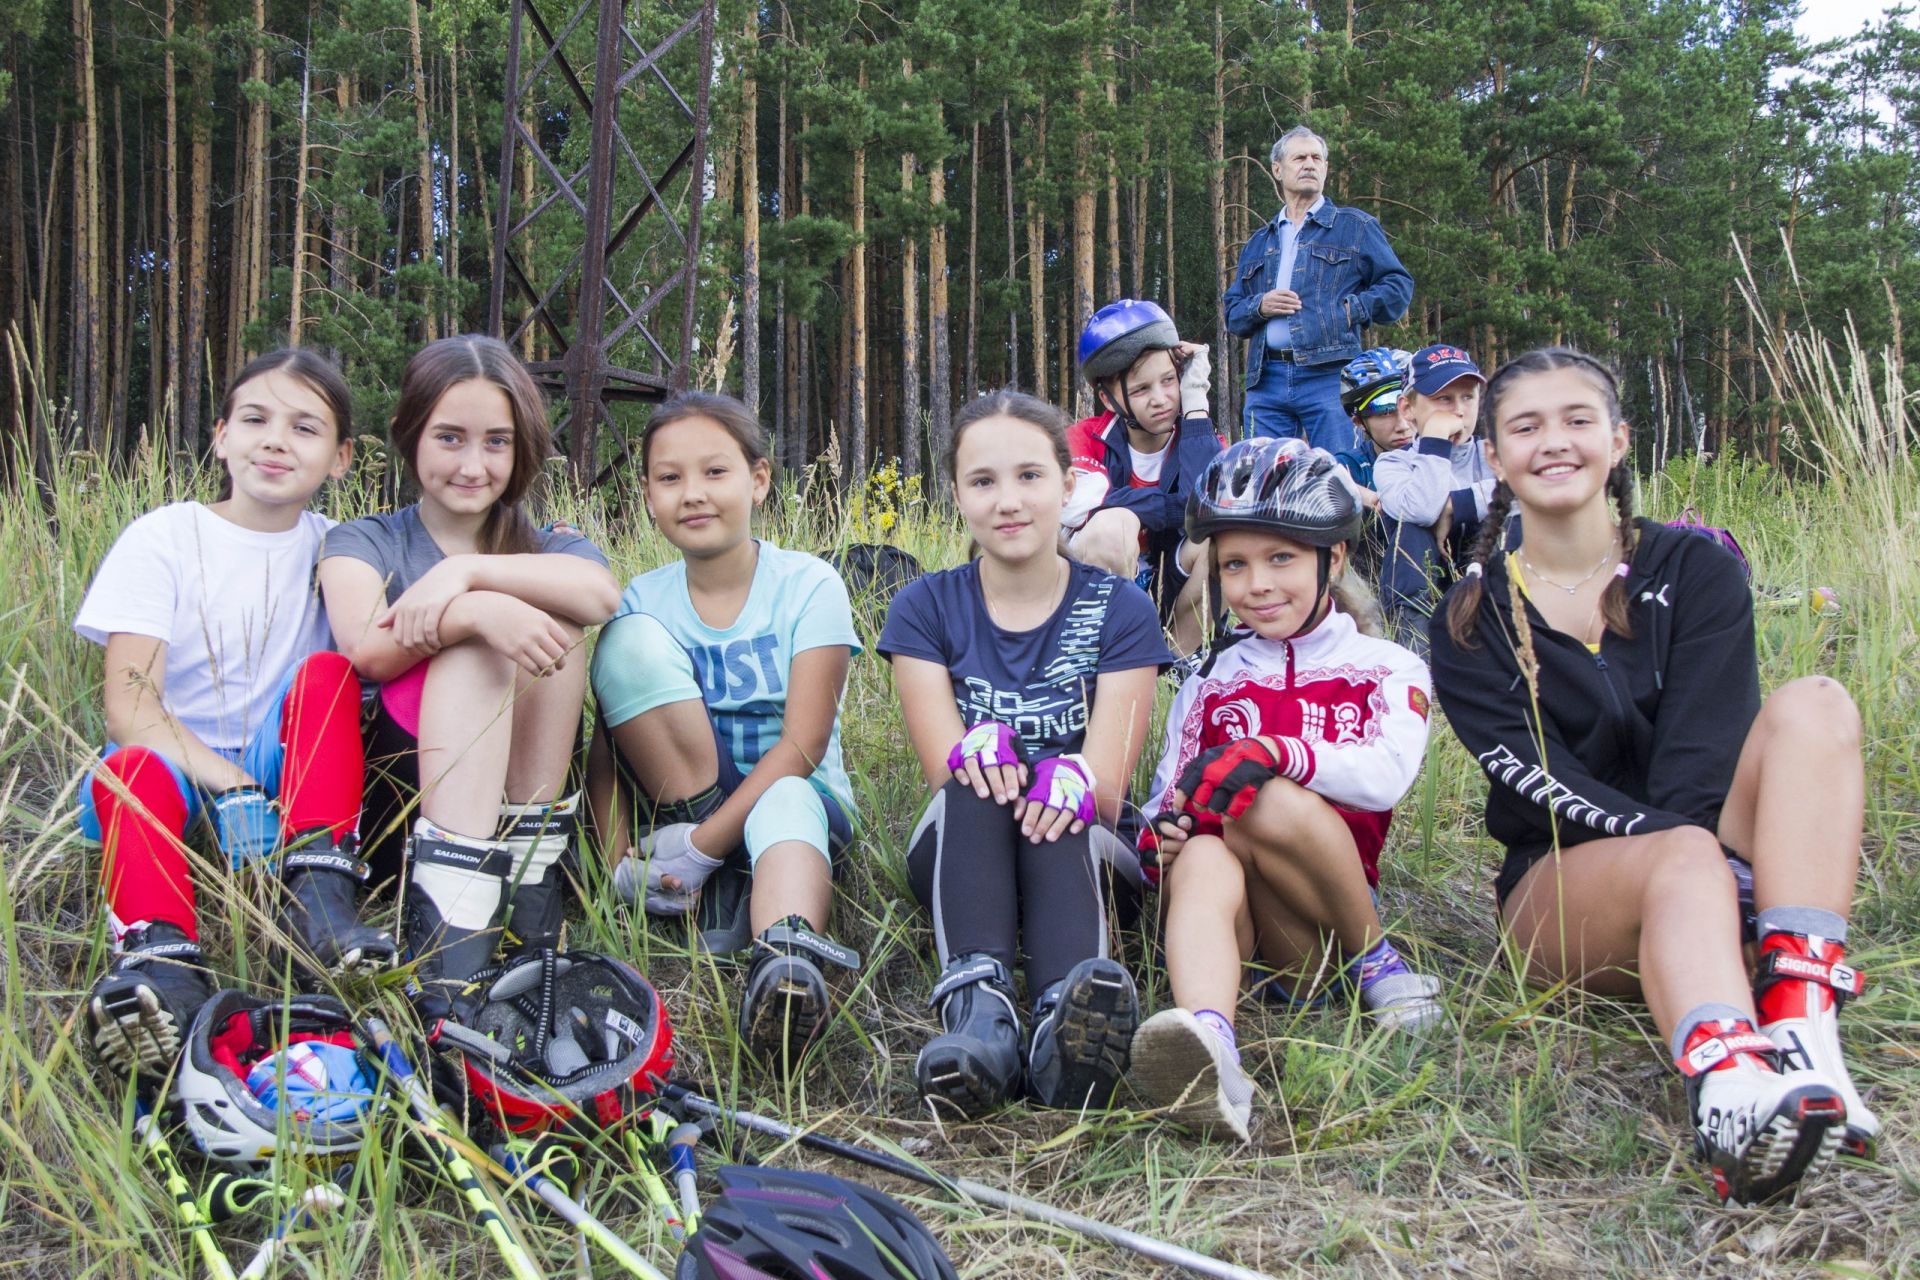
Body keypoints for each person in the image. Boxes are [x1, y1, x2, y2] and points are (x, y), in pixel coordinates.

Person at [1427, 347, 1873, 1205]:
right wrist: (1692, 861)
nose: (1553, 443)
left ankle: (1804, 1032)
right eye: (1525, 426)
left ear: (1619, 441)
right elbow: (1533, 779)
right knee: (1682, 858)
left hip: (1711, 848)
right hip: (1563, 891)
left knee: (1816, 703)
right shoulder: (1468, 619)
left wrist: (1714, 866)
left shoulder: (1697, 568)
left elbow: (1710, 745)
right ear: (1493, 455)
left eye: (1577, 420)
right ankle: (1732, 1093)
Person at [77, 349, 395, 1077]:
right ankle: (163, 966)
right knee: (128, 769)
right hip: (176, 768)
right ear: (221, 436)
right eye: (255, 419)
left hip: (284, 772)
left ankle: (318, 892)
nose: (276, 440)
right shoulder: (165, 536)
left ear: (341, 457)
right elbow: (129, 707)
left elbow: (389, 642)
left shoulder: (335, 548)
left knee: (326, 674)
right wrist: (231, 784)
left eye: (305, 428)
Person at [1129, 440, 1441, 1142]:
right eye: (1235, 565)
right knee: (1205, 850)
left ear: (1331, 559)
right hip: (1238, 936)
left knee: (1257, 795)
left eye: (1281, 560)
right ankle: (1213, 1049)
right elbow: (1160, 800)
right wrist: (1164, 836)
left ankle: (1381, 968)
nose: (1257, 585)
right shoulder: (1209, 680)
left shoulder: (1388, 667)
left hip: (1327, 926)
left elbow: (1387, 773)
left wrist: (1280, 751)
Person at [878, 389, 1171, 1117]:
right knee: (976, 778)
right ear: (957, 495)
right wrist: (981, 749)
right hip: (964, 844)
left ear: (1069, 486)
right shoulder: (924, 607)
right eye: (983, 481)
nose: (1008, 500)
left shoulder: (1121, 610)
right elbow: (944, 766)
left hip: (1086, 845)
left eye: (1030, 476)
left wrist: (1060, 771)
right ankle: (979, 1019)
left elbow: (1104, 789)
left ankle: (1064, 1024)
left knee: (1060, 792)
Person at [319, 335, 620, 1016]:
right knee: (483, 642)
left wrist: (467, 574)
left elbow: (601, 595)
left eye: (496, 442)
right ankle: (452, 933)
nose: (472, 464)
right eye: (449, 438)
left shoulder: (547, 544)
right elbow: (367, 650)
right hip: (407, 801)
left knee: (560, 623)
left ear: (522, 449)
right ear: (410, 435)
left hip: (521, 795)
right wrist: (477, 613)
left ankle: (530, 894)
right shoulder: (363, 539)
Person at [586, 391, 864, 1071]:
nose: (693, 495)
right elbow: (607, 747)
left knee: (787, 797)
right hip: (684, 805)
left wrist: (702, 849)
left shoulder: (808, 584)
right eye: (669, 477)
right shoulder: (641, 601)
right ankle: (705, 897)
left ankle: (786, 969)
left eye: (716, 472)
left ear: (758, 481)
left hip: (794, 801)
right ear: (648, 495)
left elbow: (803, 745)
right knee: (625, 646)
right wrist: (619, 860)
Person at [1224, 125, 1414, 453]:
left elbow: (1398, 287)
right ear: (1278, 170)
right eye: (1300, 157)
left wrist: (1350, 310)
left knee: (1341, 476)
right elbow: (1232, 313)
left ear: (1325, 169)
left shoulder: (1355, 227)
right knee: (1263, 477)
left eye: (1317, 158)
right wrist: (1260, 306)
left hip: (1330, 374)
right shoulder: (1259, 242)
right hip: (1265, 378)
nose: (1309, 164)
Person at [1062, 299, 1225, 654]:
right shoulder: (1082, 439)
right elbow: (1082, 508)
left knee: (1220, 538)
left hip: (1172, 589)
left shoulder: (1200, 437)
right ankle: (1110, 663)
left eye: (1170, 381)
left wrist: (1196, 402)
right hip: (1096, 595)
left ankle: (1179, 665)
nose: (1161, 399)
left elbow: (1212, 509)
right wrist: (1181, 507)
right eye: (1140, 389)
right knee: (1111, 526)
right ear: (1108, 399)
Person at [1372, 343, 1493, 650]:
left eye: (1468, 396)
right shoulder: (1393, 463)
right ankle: (1415, 653)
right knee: (1410, 530)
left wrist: (1457, 505)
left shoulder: (1493, 453)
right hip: (1425, 589)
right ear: (1407, 409)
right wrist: (1436, 441)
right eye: (1443, 399)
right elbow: (1422, 509)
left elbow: (1529, 492)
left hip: (1489, 583)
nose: (1459, 410)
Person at [1332, 346, 1415, 502]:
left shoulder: (1450, 456)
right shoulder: (1350, 468)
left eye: (1410, 409)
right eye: (1385, 412)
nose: (1403, 426)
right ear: (1359, 421)